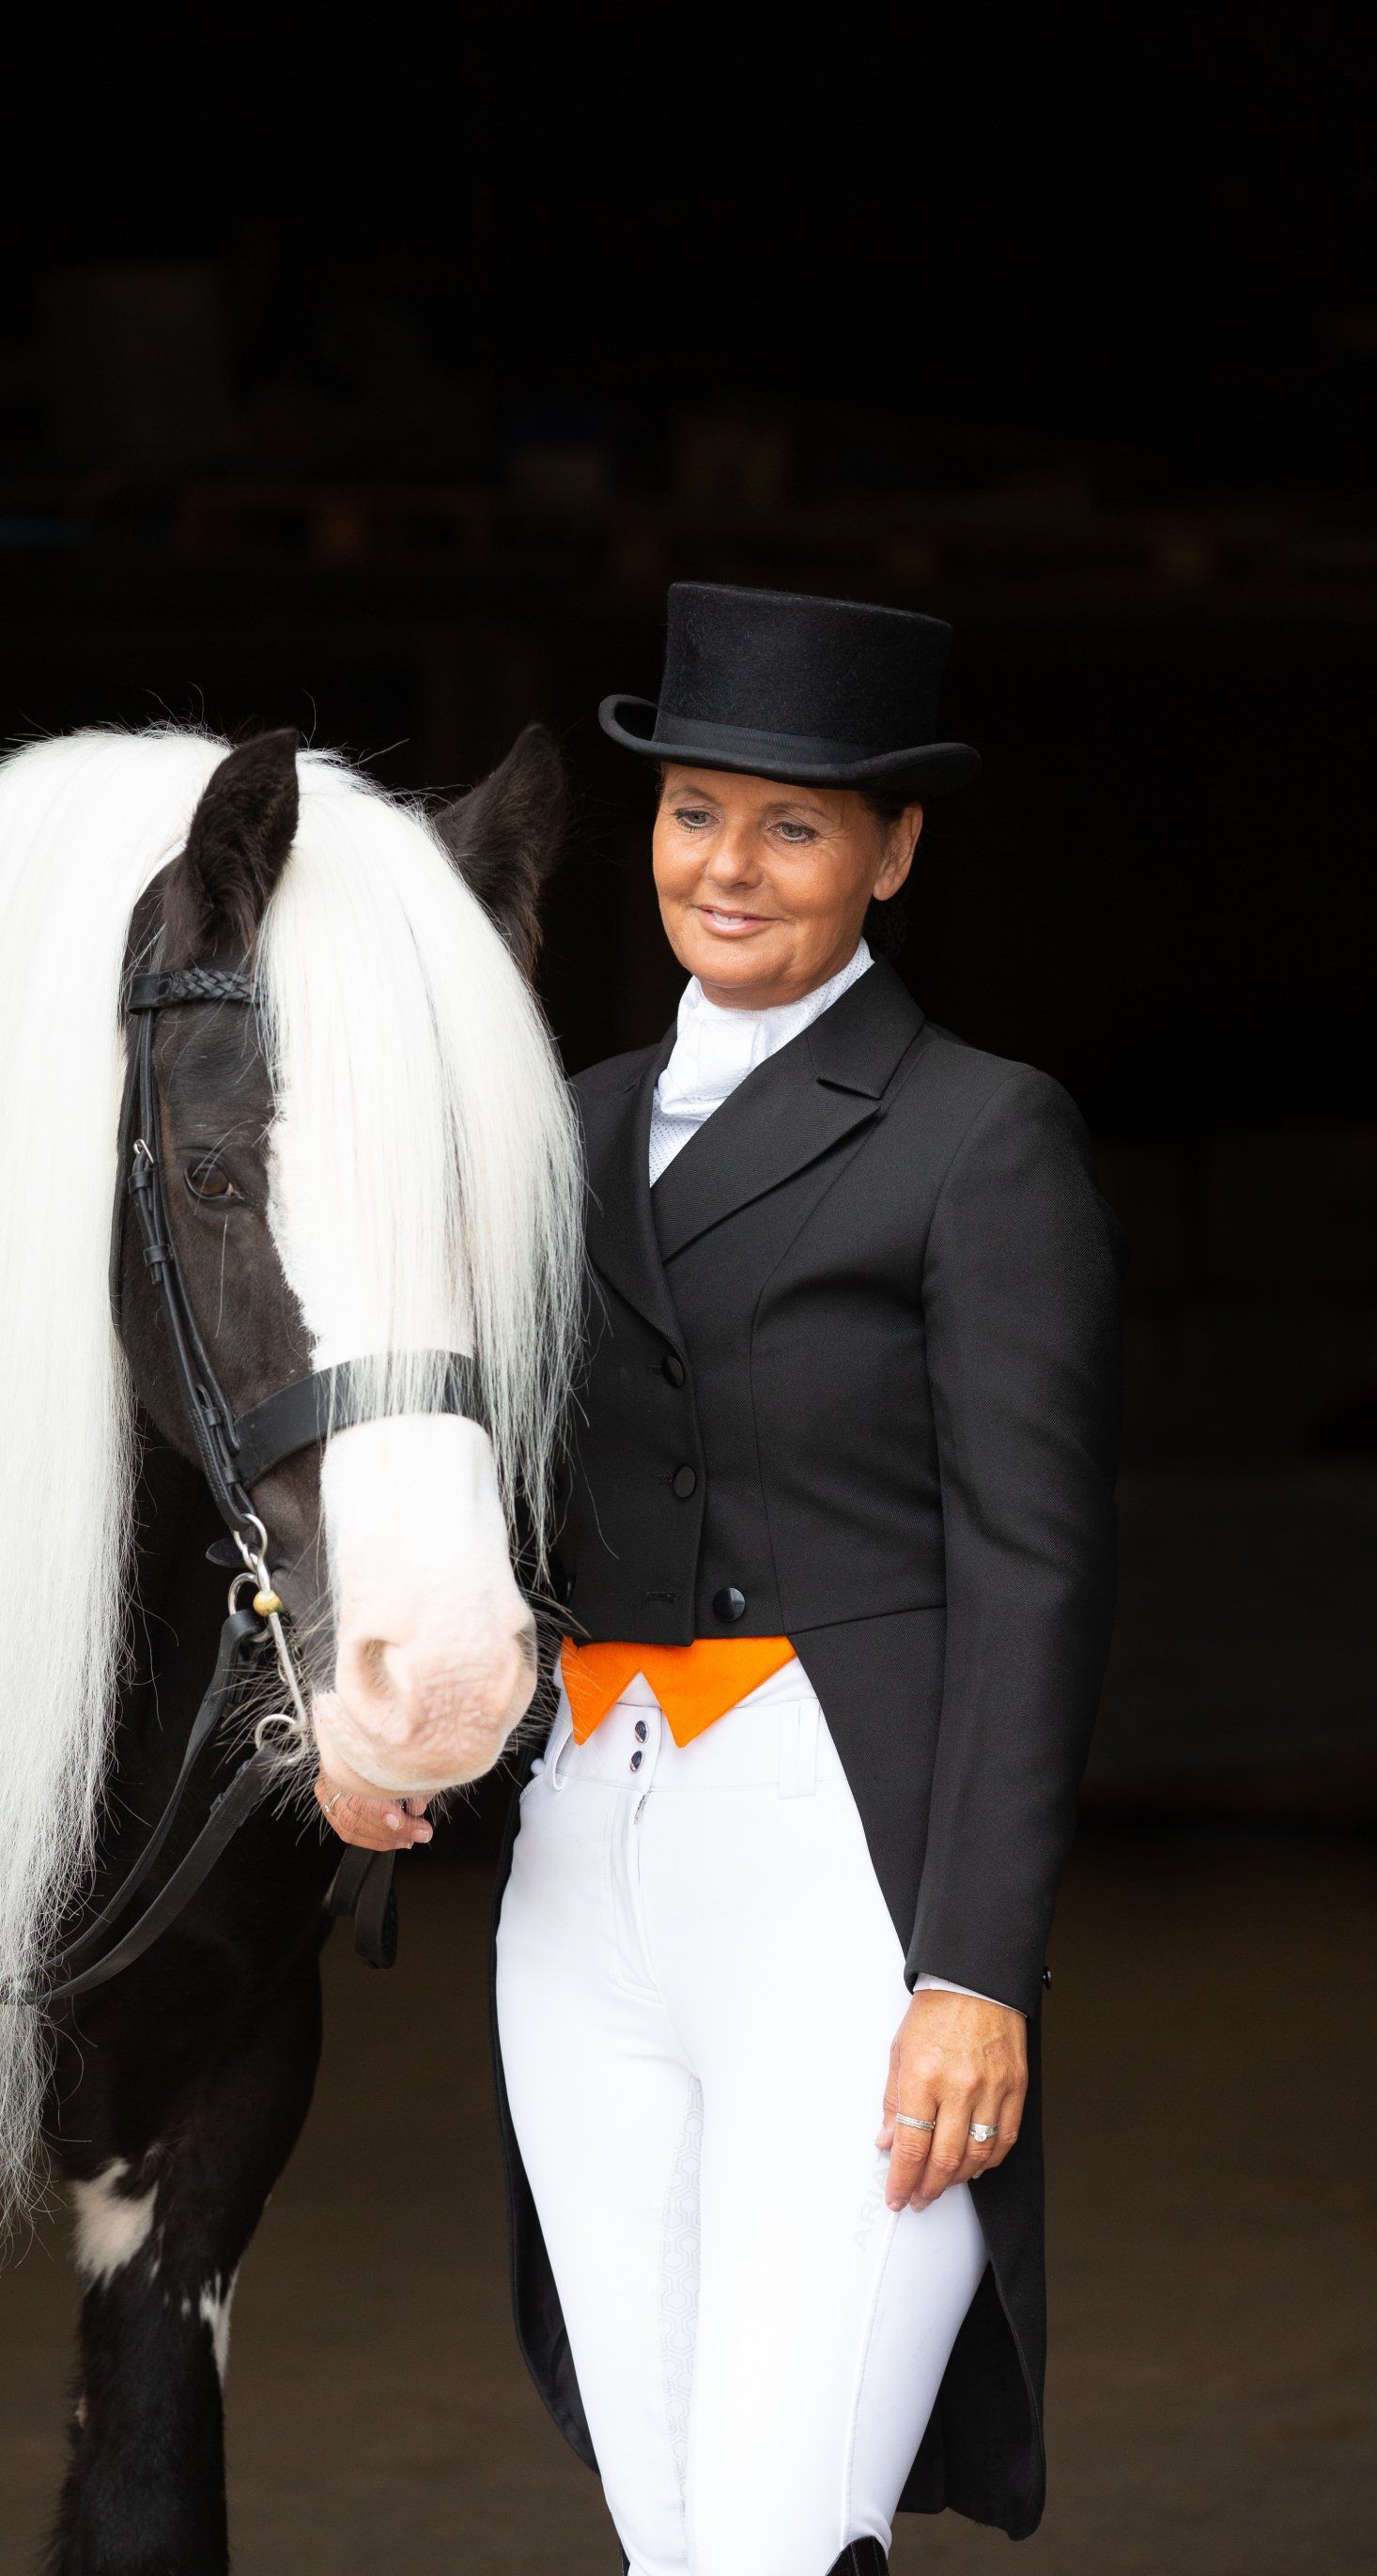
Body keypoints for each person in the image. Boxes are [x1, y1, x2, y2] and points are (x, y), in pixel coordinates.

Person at [490, 583, 1122, 2576]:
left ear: (893, 851)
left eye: (793, 824)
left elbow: (1037, 1570)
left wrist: (977, 1970)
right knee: (672, 2525)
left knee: (776, 2530)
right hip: (586, 1854)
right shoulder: (558, 1133)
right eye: (693, 812)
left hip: (836, 1864)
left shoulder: (977, 1134)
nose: (727, 866)